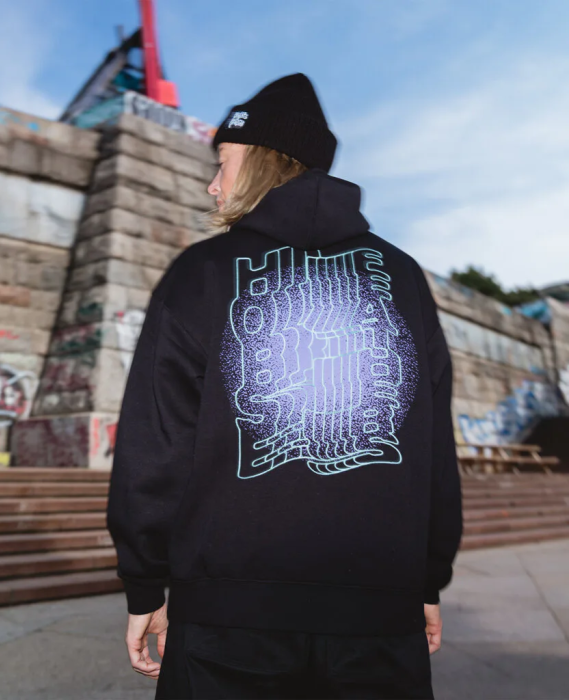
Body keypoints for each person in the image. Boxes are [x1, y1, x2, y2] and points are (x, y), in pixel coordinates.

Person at [107, 73, 463, 700]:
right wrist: (426, 580)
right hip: (379, 619)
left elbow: (154, 444)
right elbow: (434, 449)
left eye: (222, 162)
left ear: (262, 161)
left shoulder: (201, 273)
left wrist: (144, 584)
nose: (212, 184)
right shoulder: (404, 277)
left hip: (227, 624)